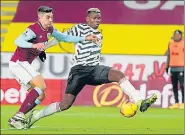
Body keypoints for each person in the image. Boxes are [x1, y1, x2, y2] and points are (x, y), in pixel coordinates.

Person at [27, 8, 157, 128]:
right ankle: (36, 116)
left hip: (94, 69)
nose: (97, 20)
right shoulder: (79, 28)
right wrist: (42, 47)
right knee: (65, 104)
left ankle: (139, 101)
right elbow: (60, 38)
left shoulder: (99, 34)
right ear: (87, 19)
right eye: (94, 18)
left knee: (118, 74)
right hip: (79, 71)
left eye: (99, 18)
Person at [8, 6, 97, 129]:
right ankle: (18, 116)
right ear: (39, 17)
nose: (50, 20)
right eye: (47, 17)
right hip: (19, 63)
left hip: (24, 65)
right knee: (41, 86)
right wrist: (33, 45)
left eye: (51, 17)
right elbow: (18, 41)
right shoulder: (33, 29)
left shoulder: (50, 30)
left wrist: (85, 38)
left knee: (40, 96)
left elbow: (65, 38)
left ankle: (17, 118)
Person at [166, 30, 184, 109]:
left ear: (181, 36)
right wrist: (167, 66)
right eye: (175, 35)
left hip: (181, 67)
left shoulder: (183, 43)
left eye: (178, 35)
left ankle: (183, 103)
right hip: (173, 67)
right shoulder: (170, 43)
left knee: (183, 85)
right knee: (174, 86)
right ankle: (176, 103)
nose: (176, 36)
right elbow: (168, 55)